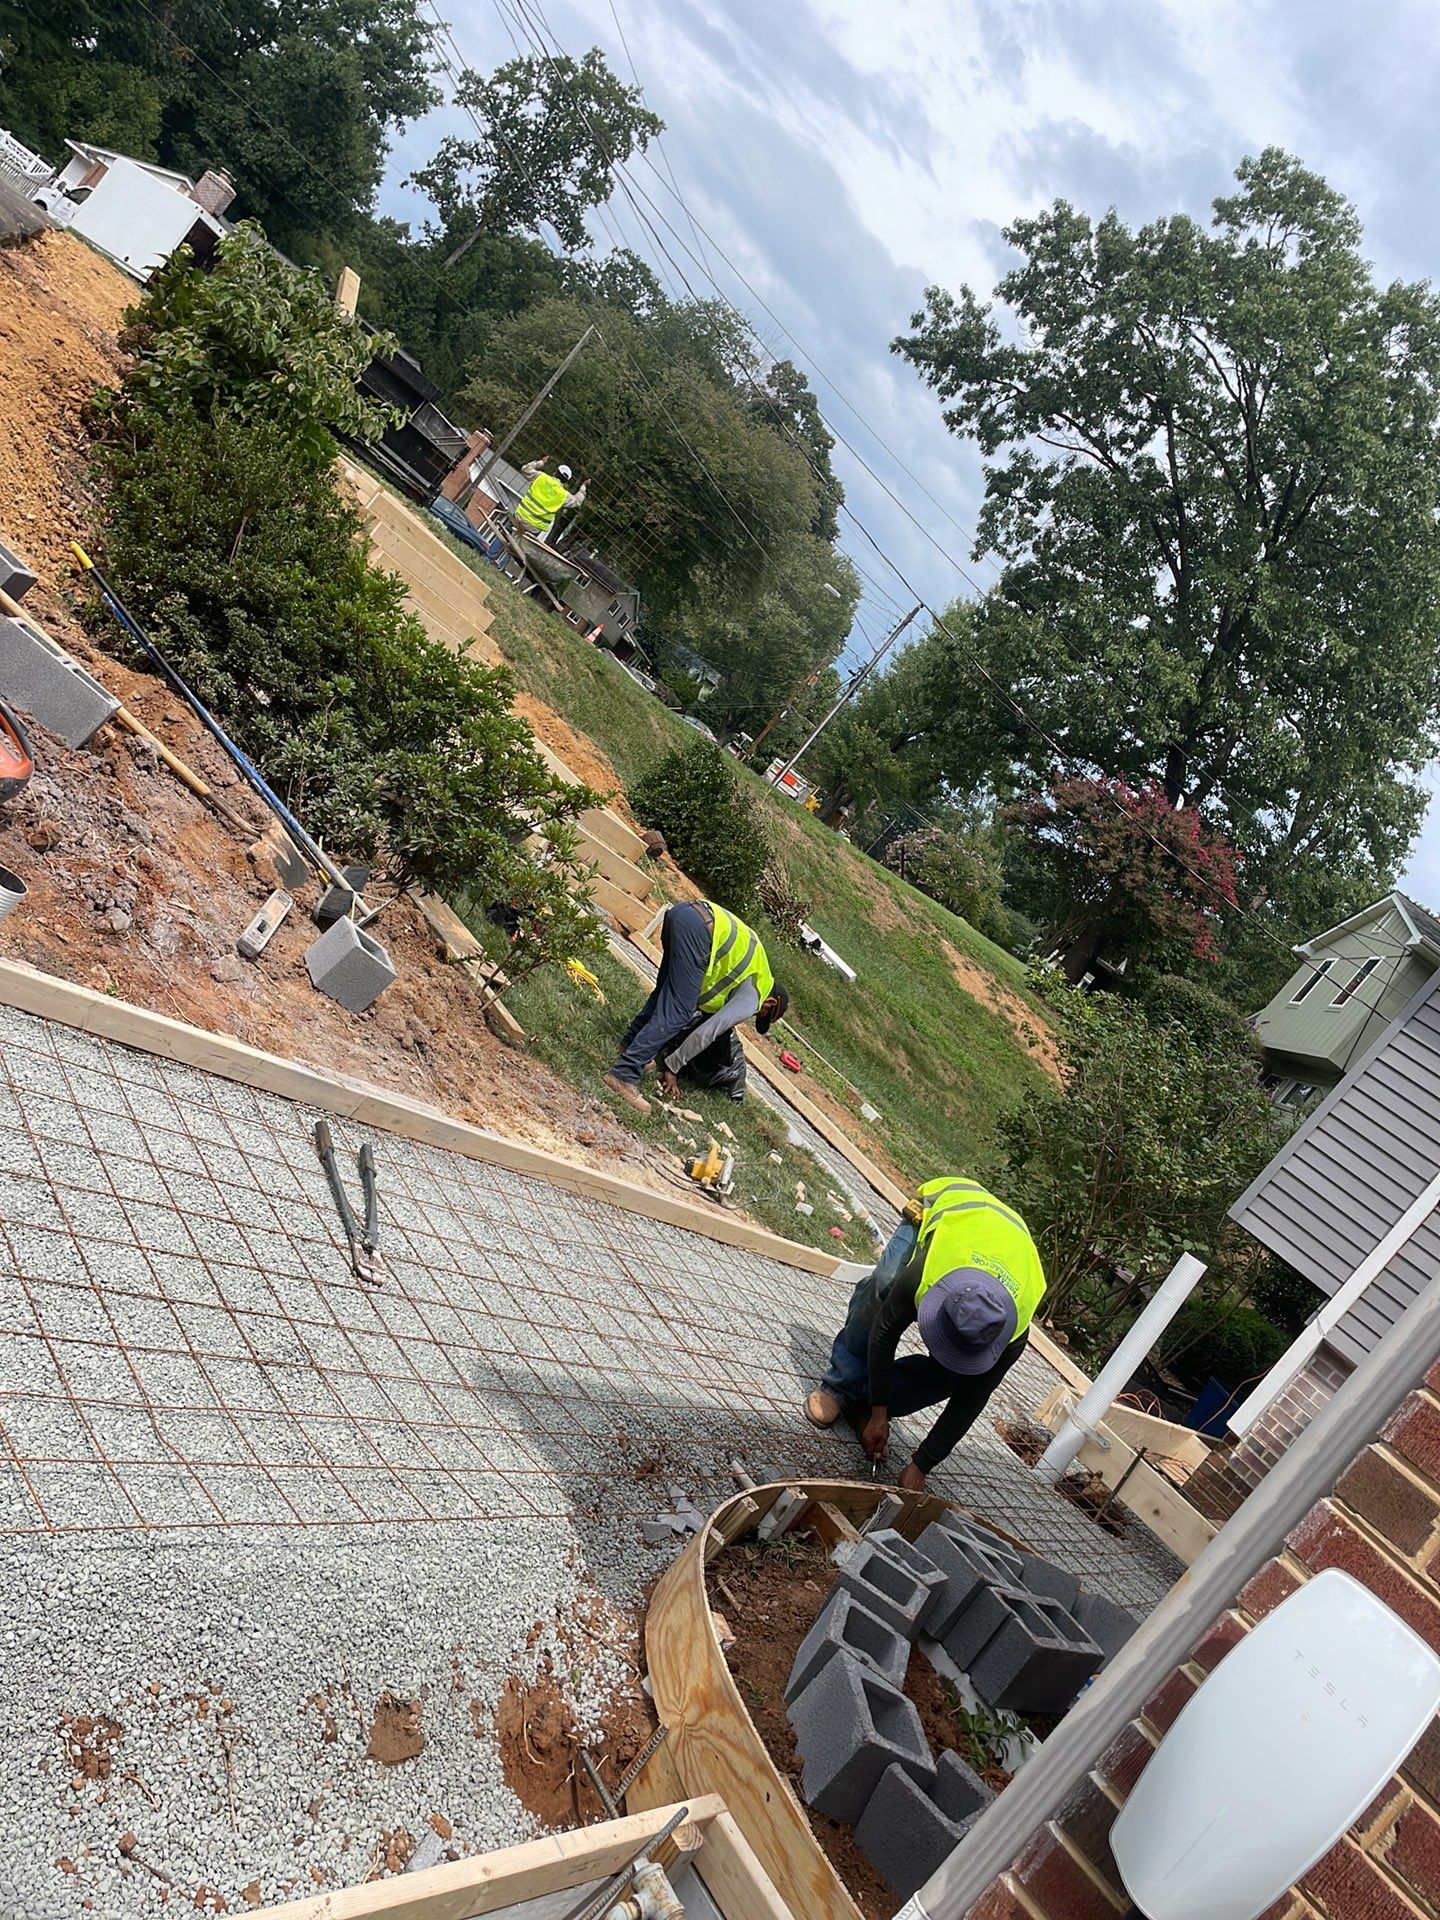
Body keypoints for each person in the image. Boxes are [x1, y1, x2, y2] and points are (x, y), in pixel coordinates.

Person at [804, 1176, 1046, 1491]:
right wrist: (881, 1413)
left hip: (1007, 1246)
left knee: (955, 1374)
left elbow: (971, 1398)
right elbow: (885, 1331)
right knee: (884, 1286)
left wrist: (923, 1462)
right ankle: (839, 1387)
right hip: (949, 1208)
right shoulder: (927, 1274)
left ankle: (861, 1404)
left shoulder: (1013, 1335)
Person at [602, 899, 787, 1115]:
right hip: (699, 932)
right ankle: (624, 1075)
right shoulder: (756, 992)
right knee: (679, 1012)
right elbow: (708, 1032)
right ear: (770, 1002)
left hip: (683, 914)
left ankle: (630, 1046)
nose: (755, 1014)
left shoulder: (758, 965)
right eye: (763, 1013)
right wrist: (673, 1067)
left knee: (664, 993)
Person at [513, 456, 587, 542]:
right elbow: (577, 501)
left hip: (520, 516)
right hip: (534, 527)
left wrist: (541, 462)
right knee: (518, 548)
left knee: (504, 535)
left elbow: (525, 469)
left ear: (555, 472)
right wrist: (583, 487)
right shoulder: (563, 495)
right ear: (565, 481)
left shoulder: (541, 477)